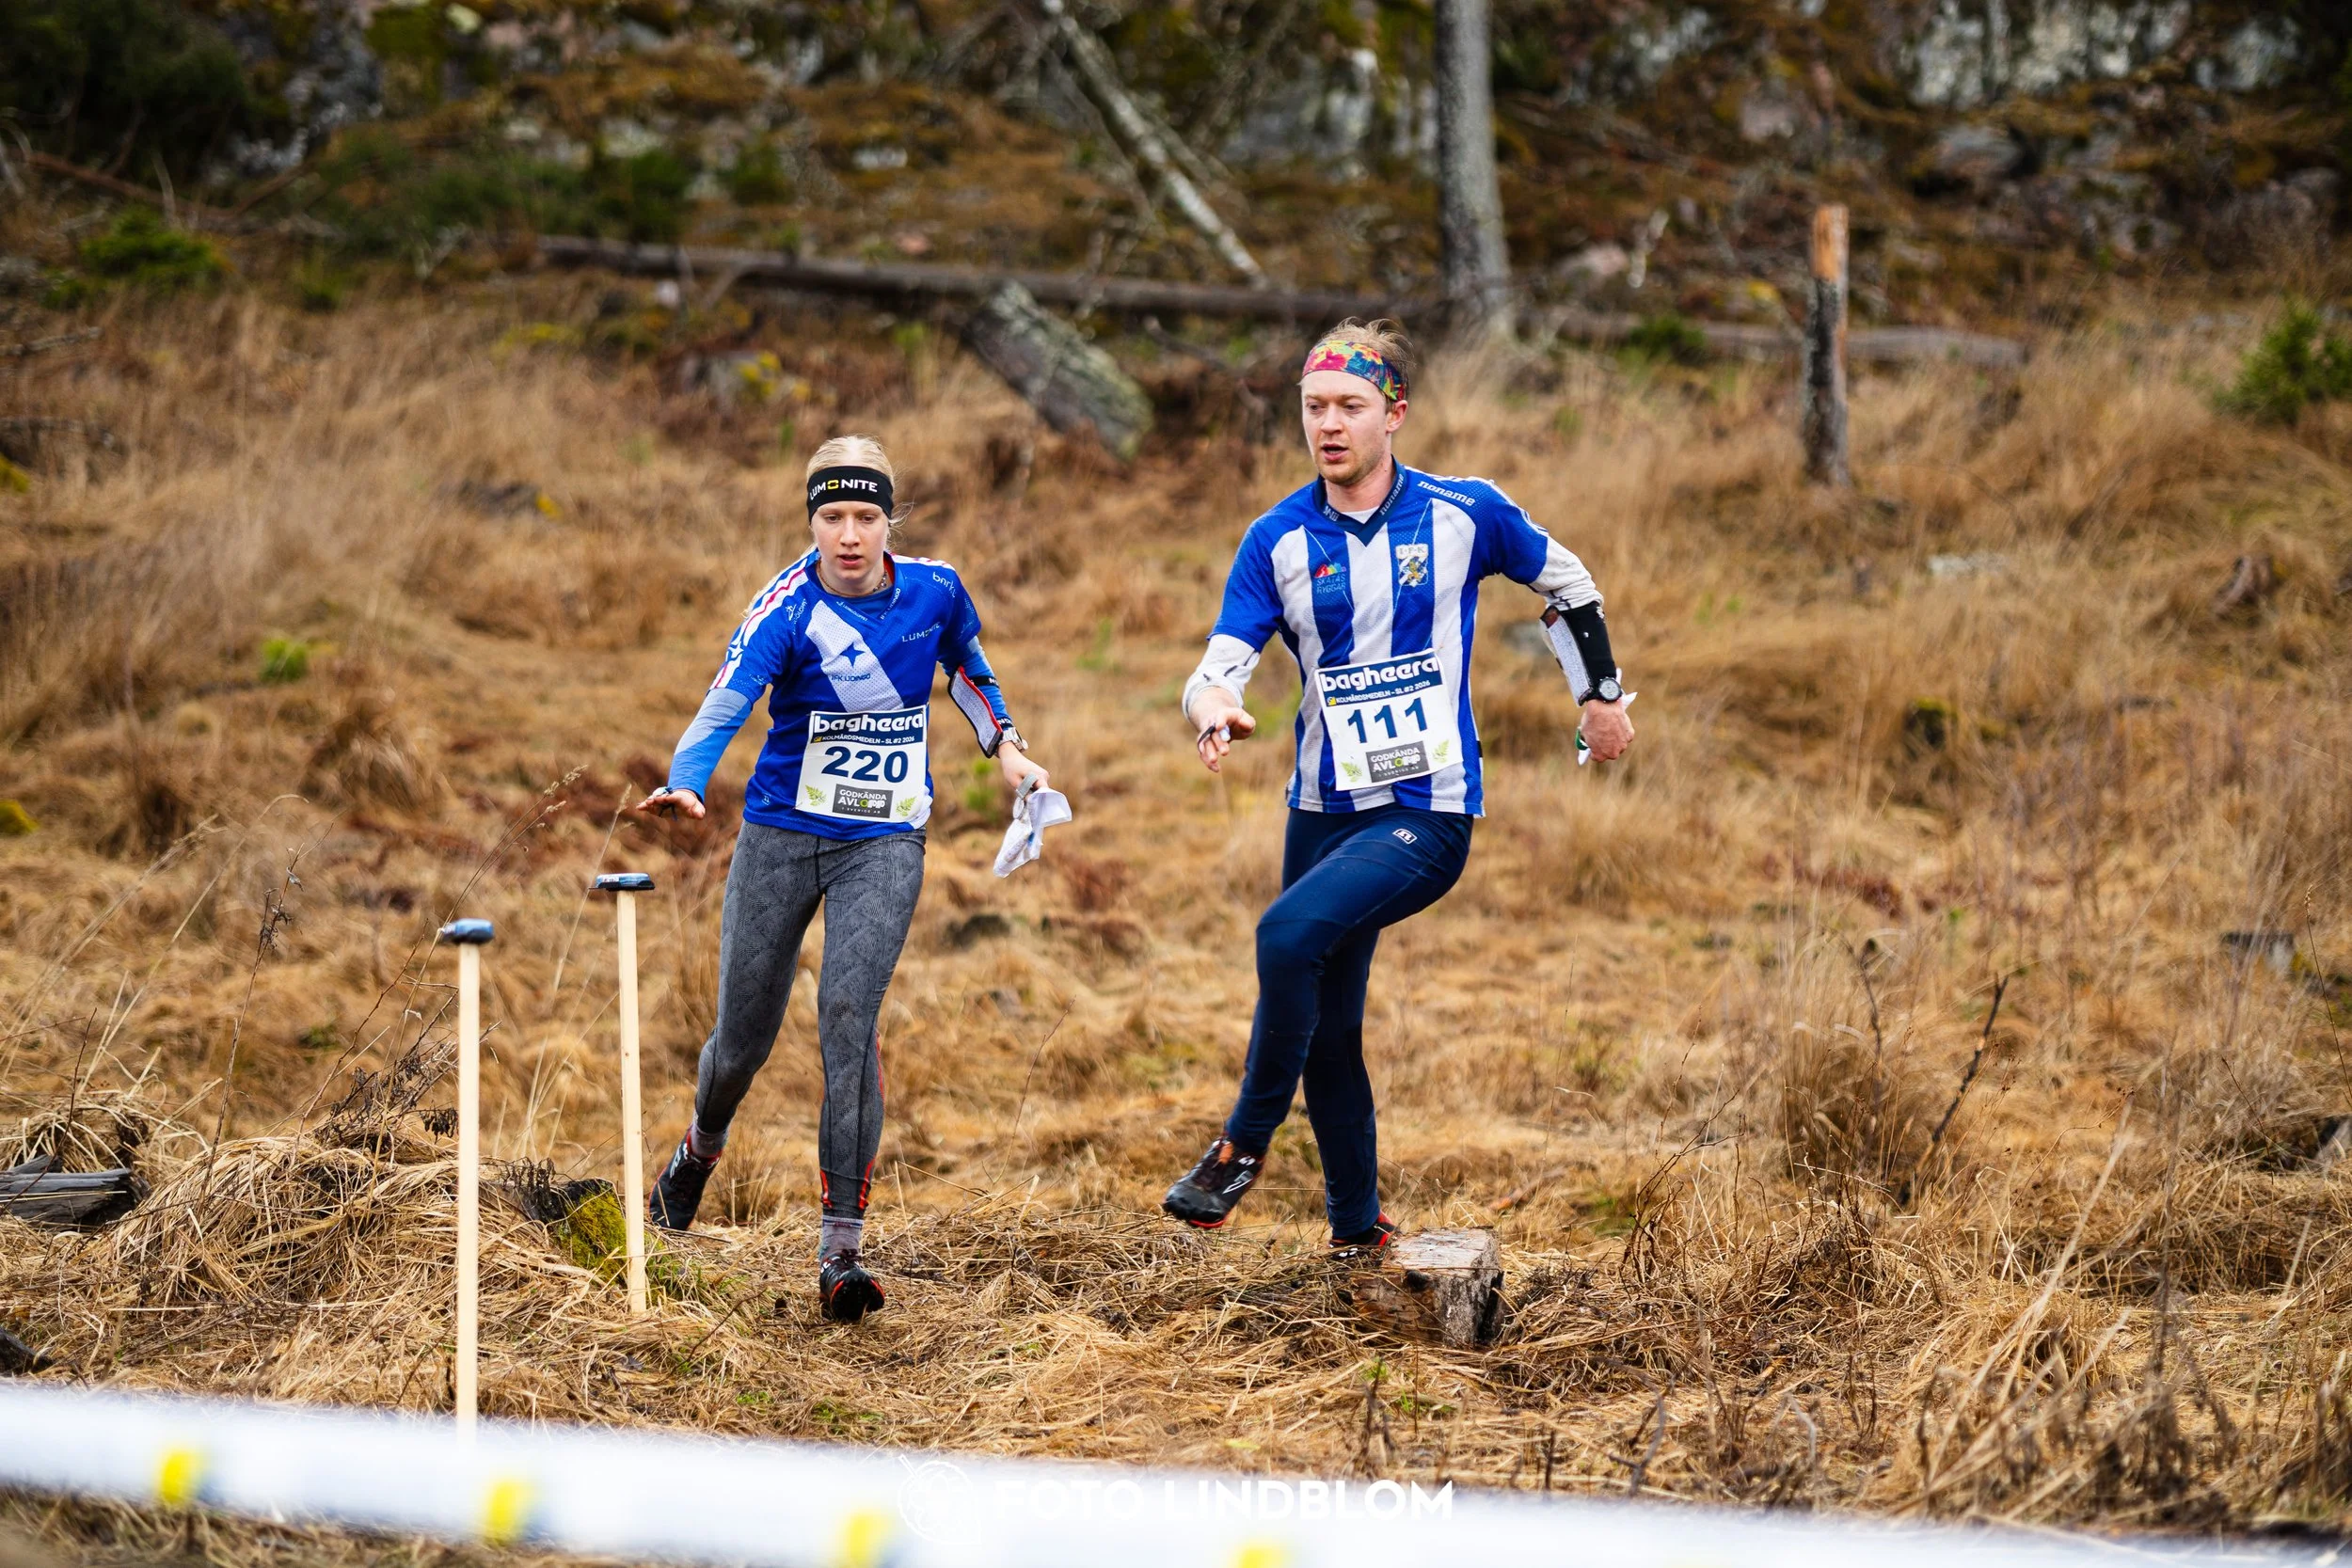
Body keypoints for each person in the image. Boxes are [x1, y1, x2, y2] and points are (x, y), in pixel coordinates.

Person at [1162, 320, 1634, 1254]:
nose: (1328, 425)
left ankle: (1241, 1145)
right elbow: (1219, 662)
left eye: (1350, 406)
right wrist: (1214, 706)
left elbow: (1570, 583)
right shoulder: (1276, 538)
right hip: (1321, 809)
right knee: (1329, 1025)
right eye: (1314, 408)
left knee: (1285, 935)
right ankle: (1358, 1234)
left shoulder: (1466, 513)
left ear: (1395, 415)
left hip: (1428, 808)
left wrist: (1600, 697)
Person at [633, 435, 1048, 1323]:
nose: (850, 535)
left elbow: (970, 673)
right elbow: (725, 701)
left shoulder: (935, 590)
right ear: (812, 521)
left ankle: (842, 1251)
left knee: (849, 1017)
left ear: (891, 520)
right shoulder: (786, 608)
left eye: (866, 516)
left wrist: (1010, 754)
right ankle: (699, 1149)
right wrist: (688, 778)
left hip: (885, 839)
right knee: (740, 1043)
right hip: (782, 834)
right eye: (833, 517)